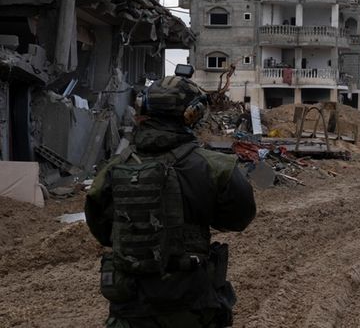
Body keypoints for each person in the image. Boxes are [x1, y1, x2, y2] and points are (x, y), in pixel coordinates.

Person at [85, 75, 256, 328]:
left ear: (143, 108)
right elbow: (241, 218)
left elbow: (102, 230)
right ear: (194, 114)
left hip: (129, 307)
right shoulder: (216, 167)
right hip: (191, 305)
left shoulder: (114, 169)